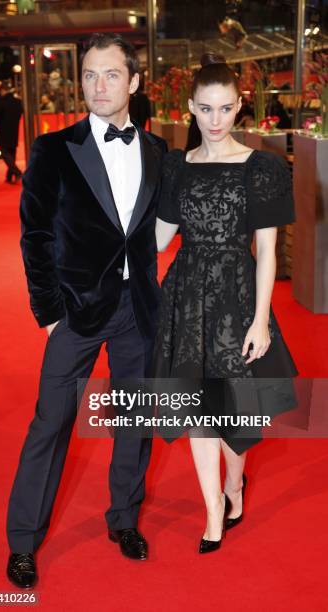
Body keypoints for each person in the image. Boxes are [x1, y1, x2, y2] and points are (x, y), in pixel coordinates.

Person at [6, 32, 167, 588]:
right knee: (50, 422)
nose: (99, 86)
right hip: (74, 311)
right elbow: (35, 235)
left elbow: (155, 232)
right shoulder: (54, 149)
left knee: (135, 420)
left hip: (136, 309)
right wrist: (49, 312)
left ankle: (124, 518)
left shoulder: (155, 150)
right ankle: (23, 540)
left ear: (134, 82)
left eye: (111, 75)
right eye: (90, 75)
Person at [153, 53, 298, 554]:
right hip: (186, 293)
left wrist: (261, 321)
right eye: (206, 109)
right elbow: (158, 239)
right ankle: (212, 508)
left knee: (236, 410)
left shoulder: (261, 168)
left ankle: (234, 485)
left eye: (225, 109)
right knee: (198, 406)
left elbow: (266, 251)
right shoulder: (177, 166)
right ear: (190, 107)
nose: (215, 121)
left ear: (240, 108)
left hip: (237, 294)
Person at [0, 81, 23, 184]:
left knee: (4, 151)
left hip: (2, 130)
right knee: (12, 152)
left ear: (2, 90)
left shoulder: (0, 101)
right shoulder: (17, 101)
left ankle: (17, 172)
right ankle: (9, 176)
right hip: (14, 129)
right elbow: (20, 114)